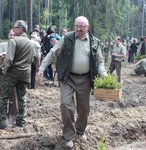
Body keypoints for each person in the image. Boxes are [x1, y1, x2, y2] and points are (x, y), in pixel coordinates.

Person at [37, 16, 107, 148]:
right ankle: (68, 136)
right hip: (67, 77)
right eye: (76, 26)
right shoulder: (66, 38)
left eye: (82, 27)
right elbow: (52, 53)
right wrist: (42, 68)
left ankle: (80, 131)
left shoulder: (94, 42)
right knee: (66, 105)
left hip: (85, 79)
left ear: (88, 27)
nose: (79, 29)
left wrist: (104, 75)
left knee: (84, 108)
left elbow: (100, 62)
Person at [0, 20, 34, 129]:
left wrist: (4, 70)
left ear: (21, 29)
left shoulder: (14, 41)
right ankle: (21, 122)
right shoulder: (31, 43)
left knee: (3, 96)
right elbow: (32, 59)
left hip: (12, 73)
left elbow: (9, 59)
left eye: (15, 28)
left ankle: (2, 122)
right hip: (25, 74)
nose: (13, 29)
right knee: (22, 98)